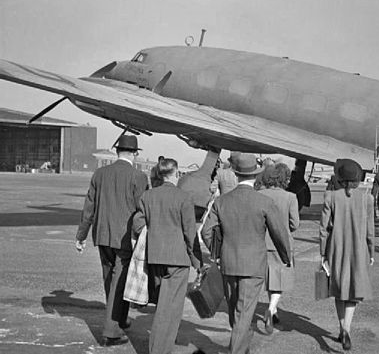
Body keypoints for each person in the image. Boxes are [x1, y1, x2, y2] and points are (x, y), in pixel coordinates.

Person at [201, 152, 291, 354]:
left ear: (236, 175)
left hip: (228, 262)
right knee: (244, 311)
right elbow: (279, 233)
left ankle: (242, 346)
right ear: (256, 175)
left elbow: (206, 231)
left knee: (236, 311)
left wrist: (217, 252)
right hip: (253, 265)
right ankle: (238, 350)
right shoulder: (264, 202)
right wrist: (286, 257)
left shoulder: (221, 202)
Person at [75, 135, 148, 346]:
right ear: (135, 153)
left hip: (103, 235)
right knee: (119, 282)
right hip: (125, 239)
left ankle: (120, 319)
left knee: (112, 281)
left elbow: (89, 207)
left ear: (117, 151)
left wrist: (81, 235)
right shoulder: (139, 177)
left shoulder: (100, 173)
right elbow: (142, 209)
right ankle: (111, 332)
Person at [132, 158, 202, 354]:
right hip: (177, 260)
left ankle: (160, 347)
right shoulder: (184, 197)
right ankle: (159, 350)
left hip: (154, 257)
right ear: (176, 173)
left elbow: (137, 225)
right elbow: (190, 233)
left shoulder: (148, 196)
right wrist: (197, 262)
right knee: (169, 310)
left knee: (163, 304)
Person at [320, 158, 374, 351]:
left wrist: (322, 253)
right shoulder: (367, 198)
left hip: (336, 248)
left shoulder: (330, 197)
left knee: (339, 289)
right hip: (359, 250)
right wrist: (371, 250)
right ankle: (347, 329)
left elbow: (324, 229)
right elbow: (370, 230)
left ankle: (342, 327)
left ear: (340, 178)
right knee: (353, 291)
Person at [257, 163, 300, 334]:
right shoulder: (290, 197)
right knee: (279, 281)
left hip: (262, 242)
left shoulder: (259, 194)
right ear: (285, 178)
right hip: (282, 244)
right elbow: (294, 224)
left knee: (269, 280)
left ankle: (273, 312)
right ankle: (271, 309)